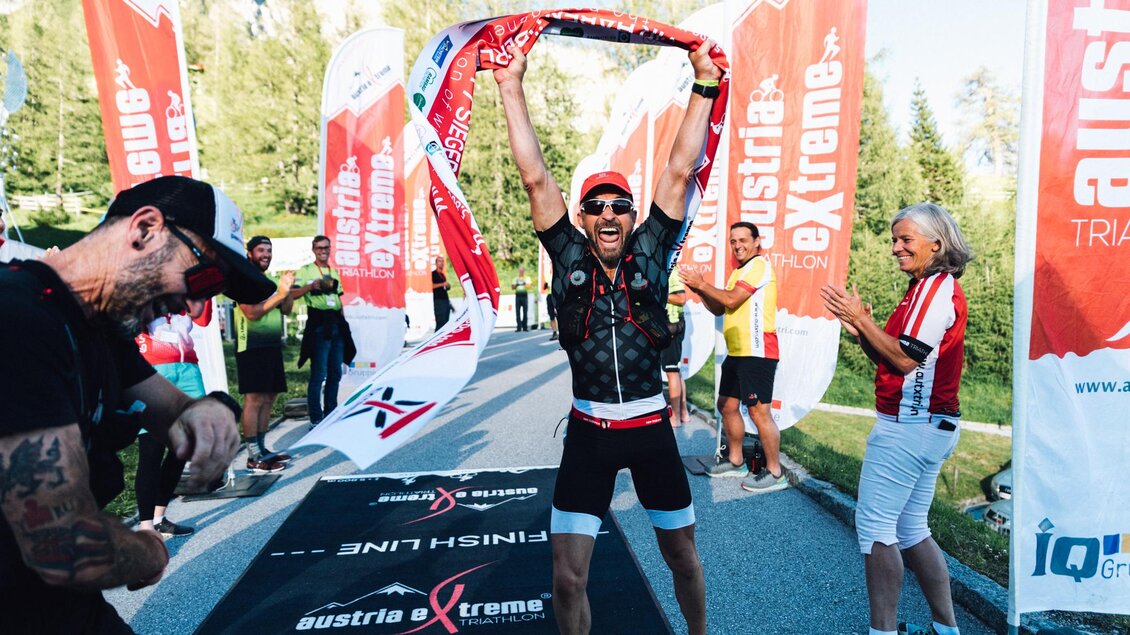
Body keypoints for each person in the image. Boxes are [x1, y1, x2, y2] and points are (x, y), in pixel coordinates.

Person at [496, 39, 721, 635]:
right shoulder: (567, 250)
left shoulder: (652, 251)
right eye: (595, 206)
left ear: (630, 212)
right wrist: (510, 85)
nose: (608, 215)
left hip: (650, 432)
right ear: (583, 218)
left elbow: (679, 167)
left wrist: (704, 83)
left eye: (619, 204)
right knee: (568, 577)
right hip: (589, 434)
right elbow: (534, 176)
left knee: (681, 557)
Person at [0, 175, 272, 633]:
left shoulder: (97, 326)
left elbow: (170, 405)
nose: (194, 305)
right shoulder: (18, 319)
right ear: (144, 229)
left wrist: (203, 413)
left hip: (60, 607)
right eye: (202, 276)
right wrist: (147, 550)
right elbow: (63, 547)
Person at [820, 202, 973, 635]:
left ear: (936, 244)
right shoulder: (924, 287)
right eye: (894, 240)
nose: (895, 248)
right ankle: (946, 629)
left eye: (905, 240)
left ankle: (882, 630)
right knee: (911, 528)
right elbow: (889, 354)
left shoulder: (934, 288)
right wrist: (861, 327)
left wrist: (860, 321)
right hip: (926, 426)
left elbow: (905, 361)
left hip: (910, 427)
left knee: (874, 528)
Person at [680, 221, 787, 493]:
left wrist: (703, 283)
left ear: (756, 242)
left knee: (759, 411)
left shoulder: (759, 266)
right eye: (733, 241)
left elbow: (731, 300)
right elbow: (719, 307)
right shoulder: (738, 271)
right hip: (738, 352)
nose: (738, 245)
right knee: (726, 405)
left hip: (758, 351)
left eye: (743, 240)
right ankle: (736, 460)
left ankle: (775, 472)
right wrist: (699, 288)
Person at [133, 310, 211, 539]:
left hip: (188, 367)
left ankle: (159, 518)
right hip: (153, 367)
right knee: (151, 450)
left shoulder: (186, 284)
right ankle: (146, 528)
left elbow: (202, 318)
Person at [236, 235, 295, 473]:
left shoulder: (268, 281)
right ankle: (253, 456)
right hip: (251, 346)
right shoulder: (243, 279)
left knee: (269, 397)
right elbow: (251, 313)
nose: (266, 255)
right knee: (254, 399)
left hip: (271, 345)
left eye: (269, 251)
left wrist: (287, 291)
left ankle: (262, 448)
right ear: (250, 253)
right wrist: (280, 294)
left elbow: (287, 310)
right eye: (261, 250)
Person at [293, 236, 353, 427]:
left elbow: (338, 299)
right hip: (318, 323)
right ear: (313, 250)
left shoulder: (334, 272)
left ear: (330, 248)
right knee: (319, 373)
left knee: (335, 372)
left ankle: (331, 413)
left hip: (336, 322)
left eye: (326, 247)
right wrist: (310, 286)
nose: (323, 251)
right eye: (319, 248)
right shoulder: (305, 271)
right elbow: (292, 294)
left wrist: (343, 323)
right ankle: (316, 418)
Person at [662, 268, 691, 426]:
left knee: (671, 371)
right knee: (675, 371)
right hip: (669, 324)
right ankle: (684, 412)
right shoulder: (667, 269)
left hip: (672, 325)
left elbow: (681, 298)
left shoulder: (672, 270)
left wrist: (657, 293)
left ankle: (675, 417)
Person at [432, 255, 452, 330]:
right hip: (438, 301)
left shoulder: (442, 275)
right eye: (439, 261)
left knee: (446, 322)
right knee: (440, 322)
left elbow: (444, 288)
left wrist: (447, 286)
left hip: (445, 300)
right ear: (436, 263)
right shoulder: (433, 274)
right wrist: (443, 284)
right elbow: (431, 286)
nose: (442, 263)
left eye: (442, 261)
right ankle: (437, 339)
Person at [512, 265, 531, 331]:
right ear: (518, 271)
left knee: (525, 312)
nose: (521, 272)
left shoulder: (527, 278)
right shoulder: (515, 278)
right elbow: (512, 287)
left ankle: (525, 327)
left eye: (522, 271)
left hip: (524, 295)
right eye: (520, 271)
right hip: (518, 296)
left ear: (524, 271)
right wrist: (516, 284)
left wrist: (524, 283)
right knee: (518, 312)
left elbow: (529, 286)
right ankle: (519, 327)